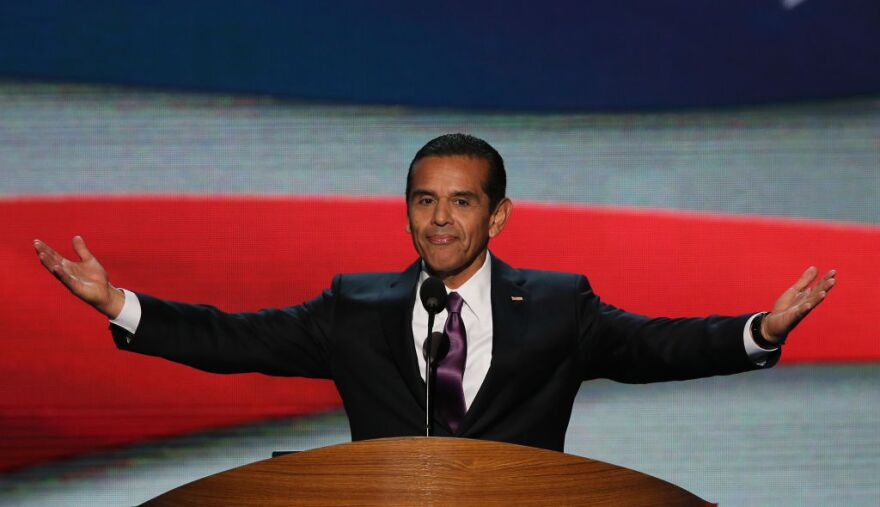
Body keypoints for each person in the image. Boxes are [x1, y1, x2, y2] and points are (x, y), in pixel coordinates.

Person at [33, 133, 836, 452]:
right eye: (425, 199)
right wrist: (120, 304)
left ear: (499, 214)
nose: (440, 219)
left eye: (461, 200)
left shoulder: (559, 305)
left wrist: (759, 328)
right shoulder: (358, 306)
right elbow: (235, 339)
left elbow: (658, 346)